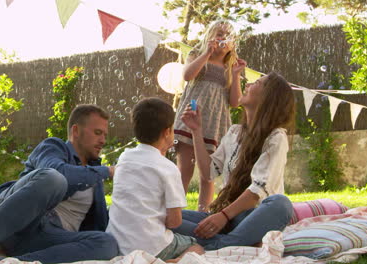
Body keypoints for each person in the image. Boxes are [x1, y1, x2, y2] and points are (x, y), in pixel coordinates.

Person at [0, 104, 119, 264]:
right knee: (54, 178)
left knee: (107, 243)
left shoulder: (93, 173)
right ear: (76, 131)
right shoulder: (53, 147)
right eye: (98, 133)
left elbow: (100, 223)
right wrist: (107, 171)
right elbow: (59, 173)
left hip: (47, 237)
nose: (103, 140)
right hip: (19, 221)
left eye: (105, 135)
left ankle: (9, 262)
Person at [173, 72, 295, 250]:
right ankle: (227, 242)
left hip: (253, 216)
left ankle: (220, 243)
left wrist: (222, 216)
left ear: (268, 97)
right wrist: (196, 131)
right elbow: (208, 172)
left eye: (256, 83)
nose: (248, 85)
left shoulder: (276, 137)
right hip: (228, 217)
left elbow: (258, 190)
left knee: (281, 204)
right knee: (168, 218)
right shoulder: (234, 133)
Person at [106, 97, 204, 262]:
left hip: (118, 244)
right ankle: (174, 260)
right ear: (167, 132)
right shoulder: (168, 168)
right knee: (196, 246)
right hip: (153, 246)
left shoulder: (124, 157)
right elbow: (175, 221)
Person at [173, 20, 246, 212]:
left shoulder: (230, 66)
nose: (223, 39)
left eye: (227, 36)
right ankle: (175, 213)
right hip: (191, 118)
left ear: (233, 44)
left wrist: (237, 74)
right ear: (210, 36)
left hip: (215, 124)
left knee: (208, 175)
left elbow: (235, 102)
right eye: (219, 34)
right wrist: (207, 53)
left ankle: (203, 214)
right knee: (184, 171)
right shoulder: (196, 54)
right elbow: (188, 75)